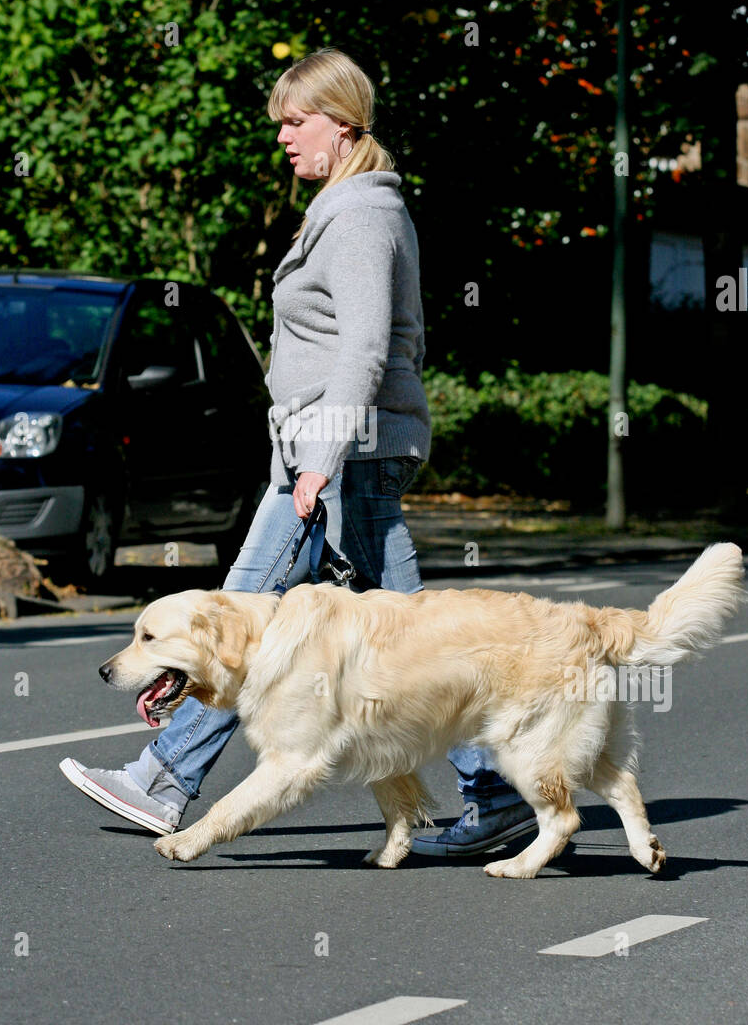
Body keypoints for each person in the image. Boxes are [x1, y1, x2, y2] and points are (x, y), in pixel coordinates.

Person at [60, 47, 536, 857]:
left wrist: (319, 459)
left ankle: (165, 778)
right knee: (377, 632)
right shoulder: (351, 206)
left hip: (338, 455)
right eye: (281, 120)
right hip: (328, 452)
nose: (283, 136)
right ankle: (492, 792)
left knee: (252, 613)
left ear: (343, 124)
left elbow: (362, 352)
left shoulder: (357, 217)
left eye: (295, 120)